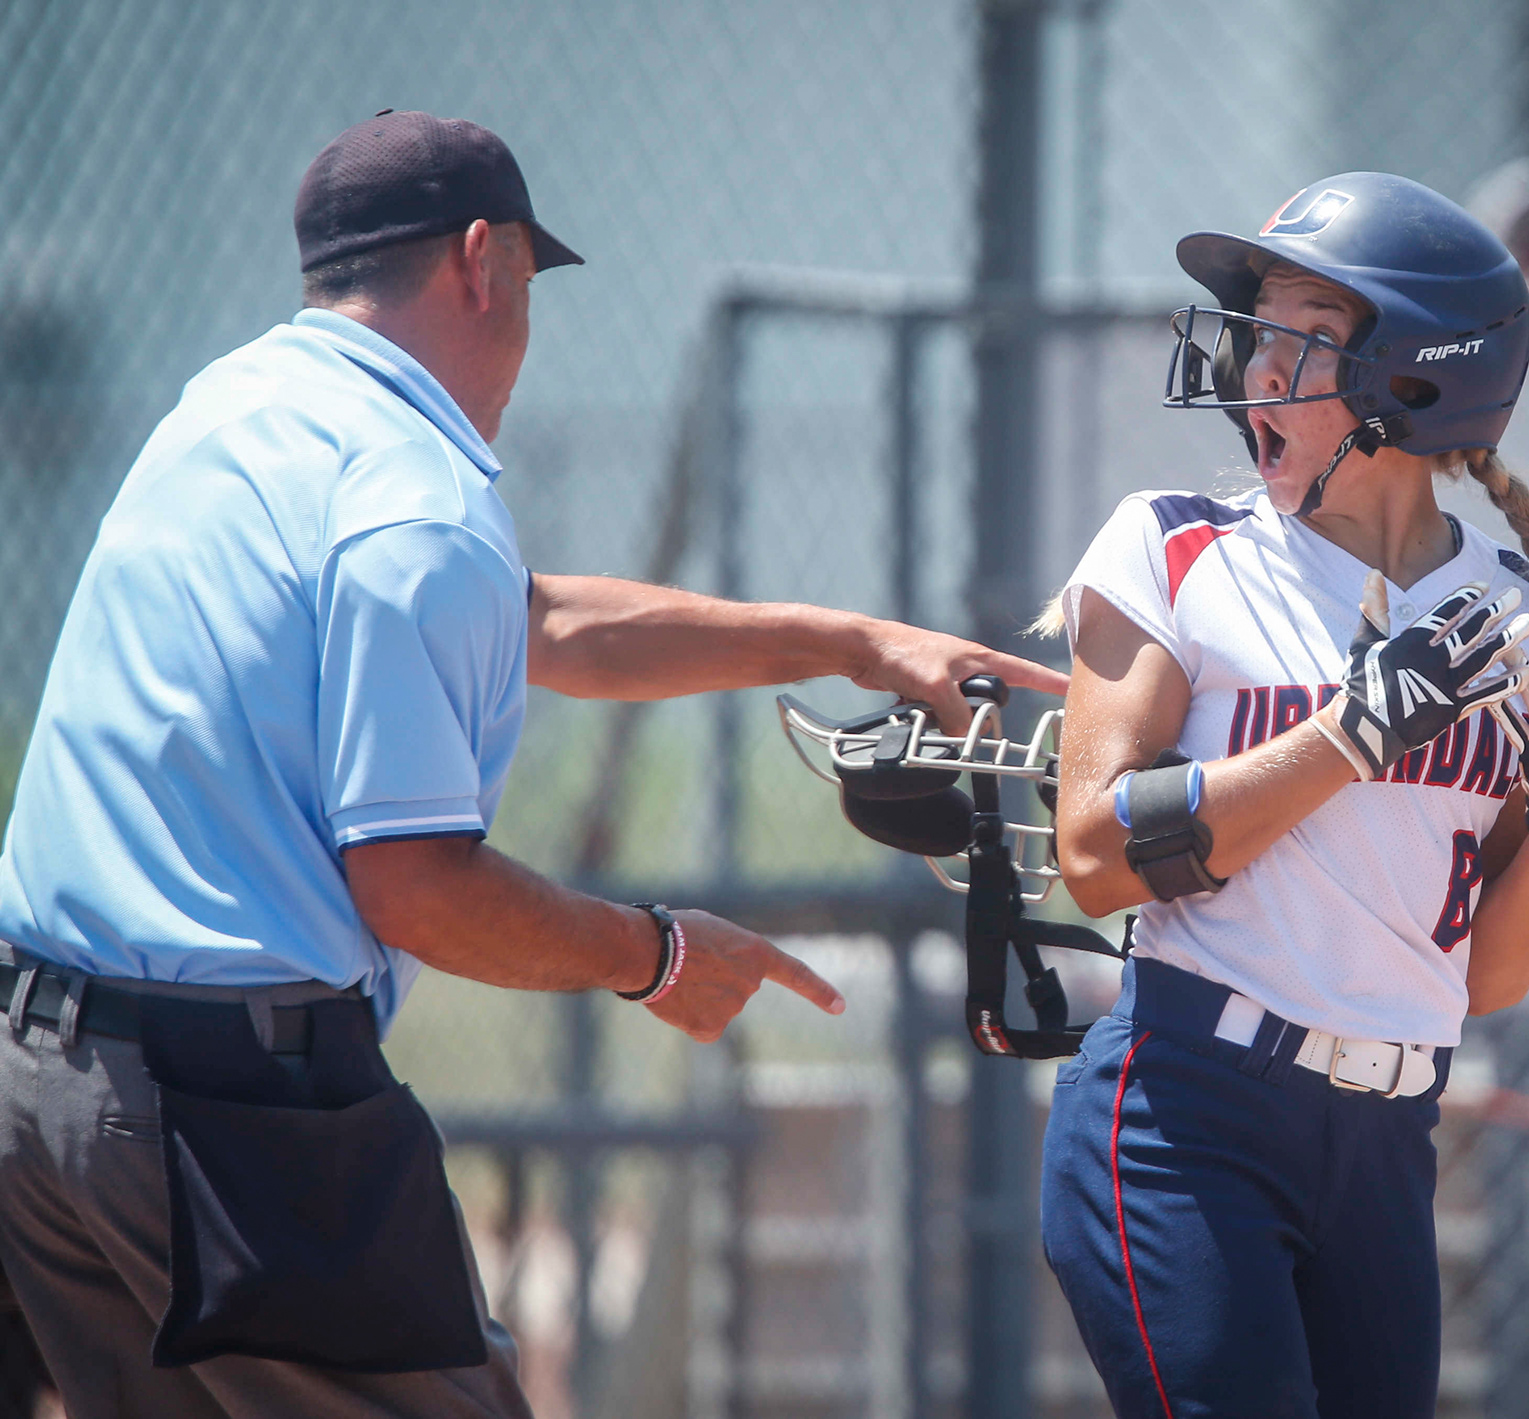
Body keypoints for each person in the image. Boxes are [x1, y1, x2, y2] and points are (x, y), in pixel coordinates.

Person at [0, 111, 1065, 1419]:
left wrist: (846, 639)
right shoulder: (414, 494)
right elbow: (420, 889)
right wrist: (659, 954)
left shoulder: (229, 412)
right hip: (223, 1109)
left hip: (36, 1079)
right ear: (481, 261)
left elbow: (537, 616)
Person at [1035, 172, 1529, 1418]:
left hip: (1386, 1142)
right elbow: (1095, 854)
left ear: (1413, 380)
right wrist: (1353, 733)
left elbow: (1488, 979)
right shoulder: (1174, 548)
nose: (1257, 368)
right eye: (1260, 331)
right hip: (1185, 1112)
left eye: (1301, 337)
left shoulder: (1528, 618)